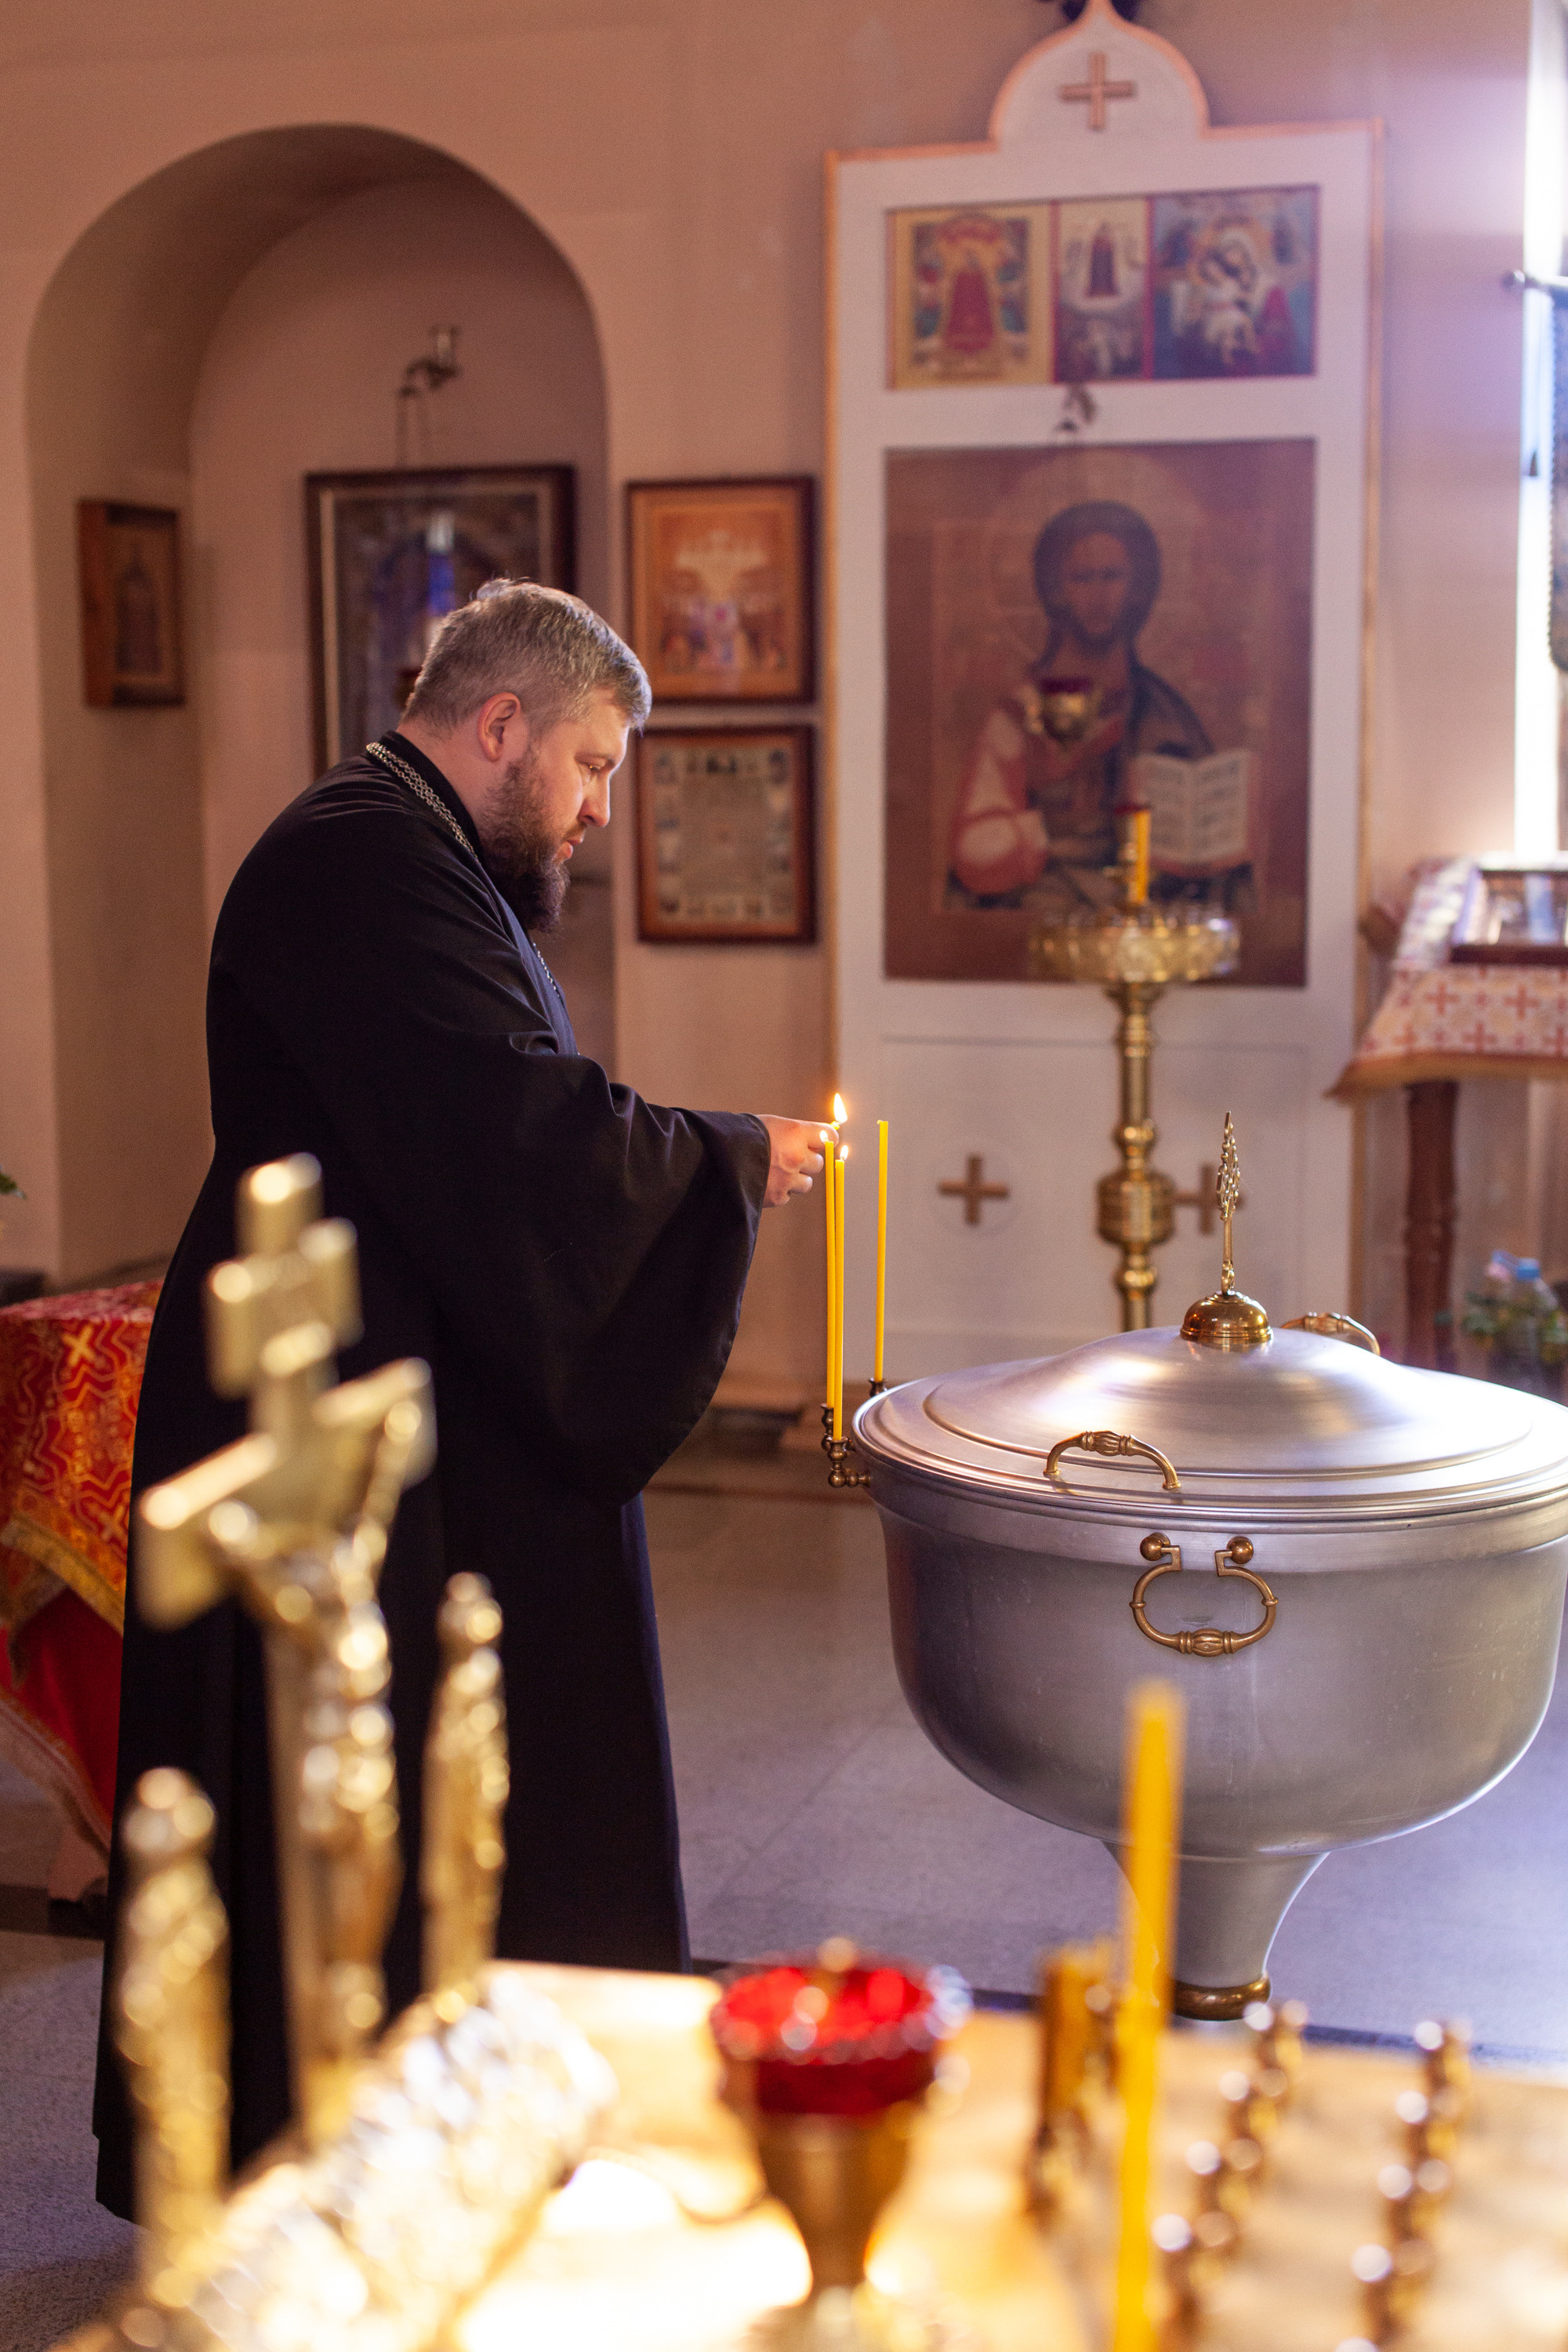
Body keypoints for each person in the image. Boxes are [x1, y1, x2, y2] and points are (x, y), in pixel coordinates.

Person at [93, 580, 825, 2213]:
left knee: (448, 1760)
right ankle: (332, 2140)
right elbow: (515, 1125)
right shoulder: (358, 858)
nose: (597, 808)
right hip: (329, 1405)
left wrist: (691, 1158)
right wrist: (725, 1158)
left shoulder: (409, 848)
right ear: (500, 725)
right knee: (356, 1776)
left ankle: (454, 2117)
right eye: (590, 764)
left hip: (411, 1361)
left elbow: (493, 1123)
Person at [946, 499, 1216, 917]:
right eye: (1082, 578)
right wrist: (1052, 829)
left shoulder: (1166, 713)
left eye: (1112, 576)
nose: (1099, 595)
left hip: (1150, 910)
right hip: (1045, 909)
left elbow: (1209, 834)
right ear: (1056, 590)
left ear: (1137, 588)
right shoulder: (1019, 715)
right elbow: (973, 848)